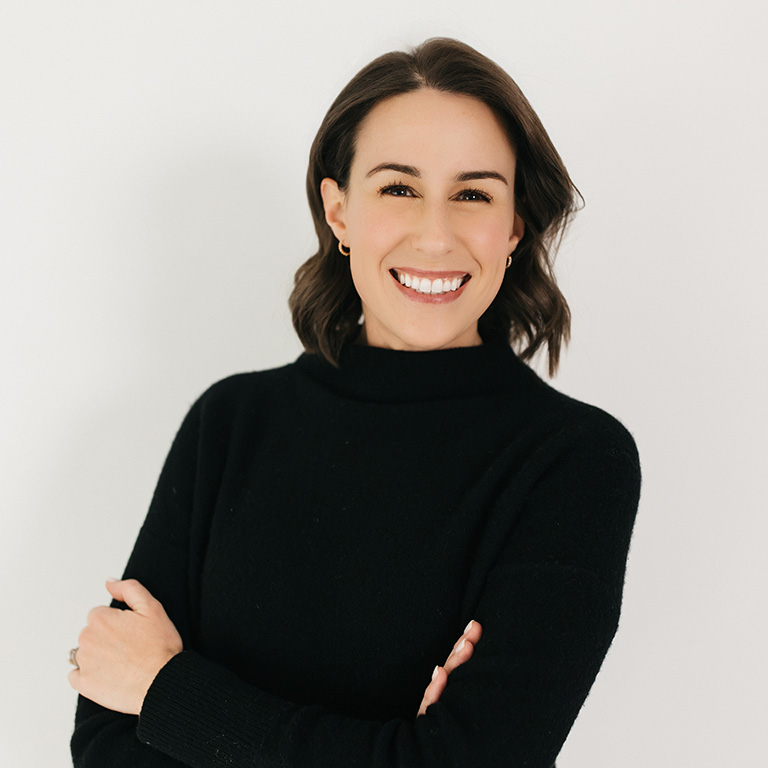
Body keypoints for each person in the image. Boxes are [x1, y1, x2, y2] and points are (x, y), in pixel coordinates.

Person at [69, 37, 641, 767]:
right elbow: (107, 742)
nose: (435, 235)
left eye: (473, 194)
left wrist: (169, 691)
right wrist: (387, 746)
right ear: (338, 211)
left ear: (514, 226)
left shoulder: (573, 460)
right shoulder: (231, 423)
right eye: (398, 188)